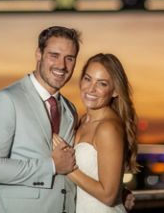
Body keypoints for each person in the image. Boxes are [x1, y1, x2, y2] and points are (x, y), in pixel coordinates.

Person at [0, 26, 81, 213]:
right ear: (39, 54)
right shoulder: (7, 100)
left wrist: (116, 193)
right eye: (54, 55)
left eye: (70, 58)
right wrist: (50, 166)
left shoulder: (70, 109)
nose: (62, 65)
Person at [54, 53, 139, 212]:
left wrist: (68, 169)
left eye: (102, 84)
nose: (91, 89)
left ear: (114, 91)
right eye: (87, 79)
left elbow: (108, 195)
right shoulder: (82, 120)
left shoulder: (107, 128)